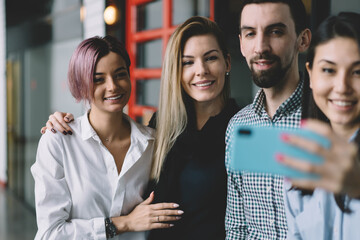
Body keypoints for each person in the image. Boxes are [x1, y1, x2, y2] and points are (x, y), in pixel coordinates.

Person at [41, 17, 239, 239]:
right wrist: (123, 223)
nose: (201, 70)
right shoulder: (162, 129)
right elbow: (50, 232)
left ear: (227, 63)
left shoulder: (242, 129)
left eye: (211, 58)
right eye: (188, 62)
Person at [31, 36, 182, 240]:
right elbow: (50, 234)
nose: (112, 86)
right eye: (98, 79)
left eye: (120, 74)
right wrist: (124, 223)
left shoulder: (152, 144)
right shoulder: (58, 142)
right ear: (81, 84)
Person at [225, 0, 311, 239]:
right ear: (241, 43)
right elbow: (237, 226)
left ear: (302, 40)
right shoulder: (238, 127)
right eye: (250, 33)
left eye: (275, 32)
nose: (260, 47)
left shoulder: (327, 120)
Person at [278, 12, 360, 239]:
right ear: (311, 75)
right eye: (328, 70)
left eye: (357, 72)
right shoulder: (300, 160)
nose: (342, 87)